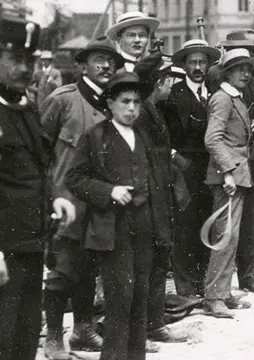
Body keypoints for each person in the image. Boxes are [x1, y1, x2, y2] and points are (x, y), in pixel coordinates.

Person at [65, 71, 173, 360]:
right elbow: (74, 178)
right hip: (113, 229)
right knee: (120, 301)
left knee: (141, 298)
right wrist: (108, 191)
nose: (131, 109)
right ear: (110, 103)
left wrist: (161, 231)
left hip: (144, 226)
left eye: (137, 103)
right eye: (125, 102)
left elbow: (157, 184)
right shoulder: (95, 136)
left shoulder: (143, 137)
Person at [39, 36, 125, 360]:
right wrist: (49, 196)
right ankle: (53, 337)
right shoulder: (63, 100)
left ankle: (83, 330)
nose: (105, 66)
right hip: (66, 201)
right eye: (98, 59)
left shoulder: (113, 103)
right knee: (62, 270)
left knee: (89, 267)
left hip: (99, 201)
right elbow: (39, 150)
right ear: (82, 65)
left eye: (110, 61)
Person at [0, 17, 76, 360]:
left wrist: (56, 197)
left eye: (29, 60)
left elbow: (37, 168)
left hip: (30, 241)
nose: (25, 69)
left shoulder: (25, 106)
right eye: (14, 59)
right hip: (4, 250)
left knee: (26, 333)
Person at [133, 58, 195, 343]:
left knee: (159, 260)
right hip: (148, 197)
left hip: (160, 194)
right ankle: (144, 327)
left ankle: (154, 324)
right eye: (169, 80)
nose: (172, 85)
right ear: (158, 83)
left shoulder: (153, 110)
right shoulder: (143, 115)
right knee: (147, 263)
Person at [207, 29, 254, 295]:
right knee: (225, 237)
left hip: (238, 174)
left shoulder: (237, 97)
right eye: (239, 69)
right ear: (227, 73)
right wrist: (228, 172)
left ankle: (224, 293)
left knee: (231, 238)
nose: (245, 74)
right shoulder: (222, 99)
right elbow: (213, 139)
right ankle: (215, 296)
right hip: (229, 177)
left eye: (247, 69)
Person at [165, 39, 221, 301]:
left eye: (202, 62)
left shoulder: (215, 92)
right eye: (192, 62)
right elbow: (162, 135)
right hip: (184, 168)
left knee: (206, 224)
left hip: (210, 168)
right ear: (184, 66)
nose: (198, 67)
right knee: (185, 226)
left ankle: (202, 283)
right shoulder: (172, 95)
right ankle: (185, 287)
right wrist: (176, 158)